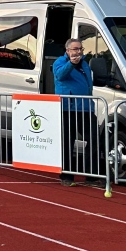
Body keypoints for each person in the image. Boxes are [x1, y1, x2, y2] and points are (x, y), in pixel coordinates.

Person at [53, 38, 104, 187]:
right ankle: (67, 175)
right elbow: (60, 75)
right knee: (67, 142)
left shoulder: (85, 65)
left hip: (86, 108)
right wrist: (71, 64)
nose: (78, 52)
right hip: (68, 108)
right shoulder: (60, 62)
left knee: (94, 140)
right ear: (67, 50)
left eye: (80, 48)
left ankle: (91, 175)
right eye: (75, 49)